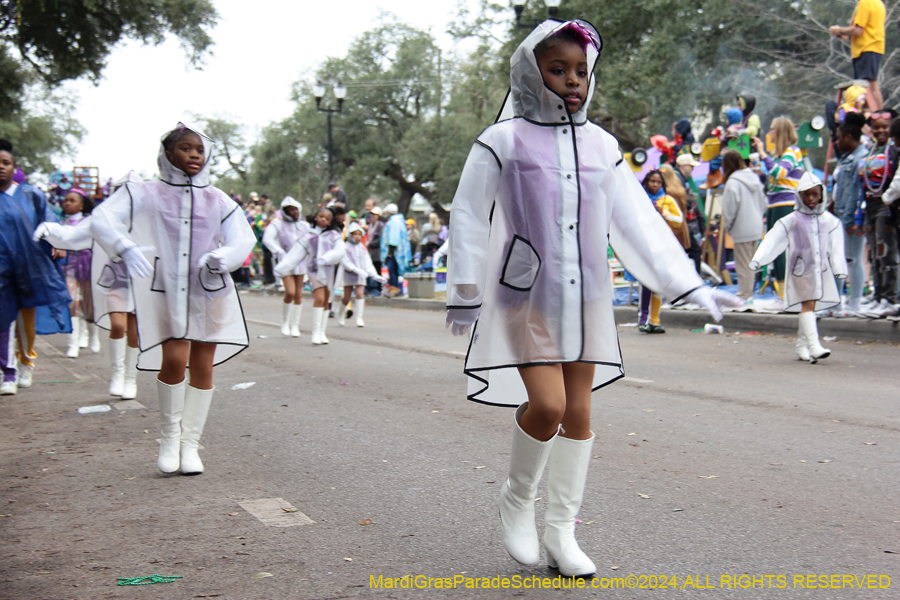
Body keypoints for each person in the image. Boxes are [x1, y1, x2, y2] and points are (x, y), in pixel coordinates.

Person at [446, 20, 740, 577]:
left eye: (581, 70)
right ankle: (515, 500)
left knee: (579, 411)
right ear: (531, 73)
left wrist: (688, 282)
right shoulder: (500, 140)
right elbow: (467, 212)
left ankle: (561, 531)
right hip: (525, 292)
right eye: (558, 69)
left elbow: (637, 221)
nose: (574, 80)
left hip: (587, 294)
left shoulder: (603, 146)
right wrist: (464, 290)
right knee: (549, 405)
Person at [90, 124, 257, 475]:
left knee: (203, 363)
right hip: (166, 289)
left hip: (209, 289)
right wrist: (124, 246)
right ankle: (169, 437)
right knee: (174, 359)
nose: (194, 154)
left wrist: (224, 256)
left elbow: (243, 237)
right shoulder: (146, 193)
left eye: (199, 149)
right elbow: (103, 218)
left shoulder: (218, 198)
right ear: (168, 154)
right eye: (185, 147)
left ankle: (191, 445)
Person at [750, 173, 847, 362]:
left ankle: (801, 346)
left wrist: (839, 267)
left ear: (821, 195)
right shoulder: (792, 220)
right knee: (808, 303)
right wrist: (759, 259)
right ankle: (814, 345)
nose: (811, 199)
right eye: (806, 194)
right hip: (801, 269)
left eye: (814, 194)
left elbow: (837, 245)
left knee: (810, 304)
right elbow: (773, 239)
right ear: (799, 195)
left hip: (820, 270)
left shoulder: (829, 220)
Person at [0, 139, 71, 396]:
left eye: (6, 163)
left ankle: (26, 363)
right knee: (3, 321)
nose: (1, 167)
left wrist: (58, 243)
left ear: (13, 167)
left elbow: (49, 222)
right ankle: (7, 373)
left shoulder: (31, 195)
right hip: (1, 272)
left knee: (24, 322)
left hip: (29, 268)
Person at [753, 117, 805, 304]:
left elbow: (780, 173)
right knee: (776, 249)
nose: (769, 133)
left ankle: (787, 294)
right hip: (775, 205)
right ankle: (783, 293)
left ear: (781, 131)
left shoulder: (792, 152)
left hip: (786, 205)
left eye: (772, 129)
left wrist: (762, 154)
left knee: (782, 248)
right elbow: (775, 177)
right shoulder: (780, 155)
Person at [275, 206, 345, 344]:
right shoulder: (308, 236)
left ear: (331, 222)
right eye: (321, 216)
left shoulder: (334, 236)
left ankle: (321, 332)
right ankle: (315, 333)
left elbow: (340, 250)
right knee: (319, 298)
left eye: (327, 218)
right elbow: (295, 254)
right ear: (315, 217)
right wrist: (281, 268)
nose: (323, 219)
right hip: (314, 271)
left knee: (326, 300)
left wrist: (326, 258)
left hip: (329, 271)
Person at [855, 110, 898, 317]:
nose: (880, 130)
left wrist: (890, 211)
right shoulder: (868, 151)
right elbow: (862, 184)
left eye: (884, 127)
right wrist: (860, 214)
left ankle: (890, 298)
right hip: (869, 207)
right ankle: (878, 296)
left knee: (886, 251)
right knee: (873, 254)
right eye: (876, 127)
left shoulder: (894, 151)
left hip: (885, 206)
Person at [832, 113, 869, 315]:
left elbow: (857, 191)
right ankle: (837, 303)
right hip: (840, 213)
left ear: (847, 137)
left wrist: (853, 218)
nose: (837, 142)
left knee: (852, 259)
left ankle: (855, 302)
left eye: (839, 138)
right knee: (839, 258)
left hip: (851, 216)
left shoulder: (860, 159)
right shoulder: (847, 158)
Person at [720, 150, 767, 303]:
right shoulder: (754, 177)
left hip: (741, 227)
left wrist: (728, 226)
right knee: (751, 263)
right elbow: (764, 203)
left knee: (743, 265)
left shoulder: (733, 183)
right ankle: (749, 293)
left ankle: (744, 295)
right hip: (756, 226)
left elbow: (729, 209)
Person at [59, 188, 100, 357]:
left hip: (87, 264)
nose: (67, 203)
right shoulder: (61, 223)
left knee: (88, 306)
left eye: (72, 200)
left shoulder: (90, 222)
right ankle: (73, 342)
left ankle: (92, 335)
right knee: (72, 303)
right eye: (66, 200)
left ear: (82, 205)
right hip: (69, 266)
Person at [262, 197, 309, 337]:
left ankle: (295, 325)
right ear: (285, 211)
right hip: (286, 262)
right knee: (290, 292)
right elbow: (267, 239)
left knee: (298, 294)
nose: (294, 212)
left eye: (296, 209)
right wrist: (279, 251)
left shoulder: (304, 225)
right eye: (291, 209)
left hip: (300, 262)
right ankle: (285, 321)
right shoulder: (278, 224)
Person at [830, 0, 886, 111]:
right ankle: (874, 114)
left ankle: (878, 114)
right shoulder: (879, 3)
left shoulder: (865, 2)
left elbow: (858, 30)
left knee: (868, 86)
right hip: (871, 47)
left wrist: (839, 29)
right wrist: (845, 34)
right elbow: (866, 30)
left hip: (867, 48)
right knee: (868, 86)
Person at [337, 222, 386, 327]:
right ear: (350, 235)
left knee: (360, 294)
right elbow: (344, 261)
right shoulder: (345, 247)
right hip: (349, 274)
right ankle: (340, 313)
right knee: (347, 297)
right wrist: (354, 269)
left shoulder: (362, 248)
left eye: (359, 234)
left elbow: (367, 262)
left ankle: (359, 317)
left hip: (361, 275)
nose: (357, 237)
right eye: (355, 234)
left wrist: (374, 275)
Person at [674, 154, 705, 274]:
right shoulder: (678, 180)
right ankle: (695, 281)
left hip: (678, 222)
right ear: (683, 166)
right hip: (680, 223)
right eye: (691, 166)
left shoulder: (678, 178)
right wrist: (688, 206)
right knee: (695, 250)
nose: (693, 169)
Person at [380, 203, 411, 296]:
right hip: (399, 250)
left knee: (392, 269)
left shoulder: (393, 221)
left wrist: (390, 251)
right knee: (395, 270)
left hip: (394, 251)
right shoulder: (399, 220)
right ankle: (396, 288)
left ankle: (393, 288)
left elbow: (393, 238)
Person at [365, 206, 384, 295]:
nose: (373, 216)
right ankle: (369, 287)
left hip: (377, 251)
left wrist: (371, 243)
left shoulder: (380, 225)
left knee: (377, 269)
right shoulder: (371, 225)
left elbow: (380, 238)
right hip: (370, 251)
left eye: (375, 215)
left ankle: (378, 289)